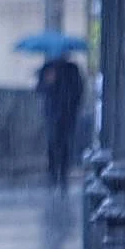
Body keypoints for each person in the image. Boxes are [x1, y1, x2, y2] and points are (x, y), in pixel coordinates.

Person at [36, 53, 85, 189]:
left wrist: (72, 105)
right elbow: (40, 89)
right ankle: (53, 174)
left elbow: (78, 89)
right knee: (52, 143)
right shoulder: (47, 68)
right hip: (51, 113)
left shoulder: (72, 69)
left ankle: (63, 174)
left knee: (65, 143)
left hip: (68, 113)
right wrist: (48, 81)